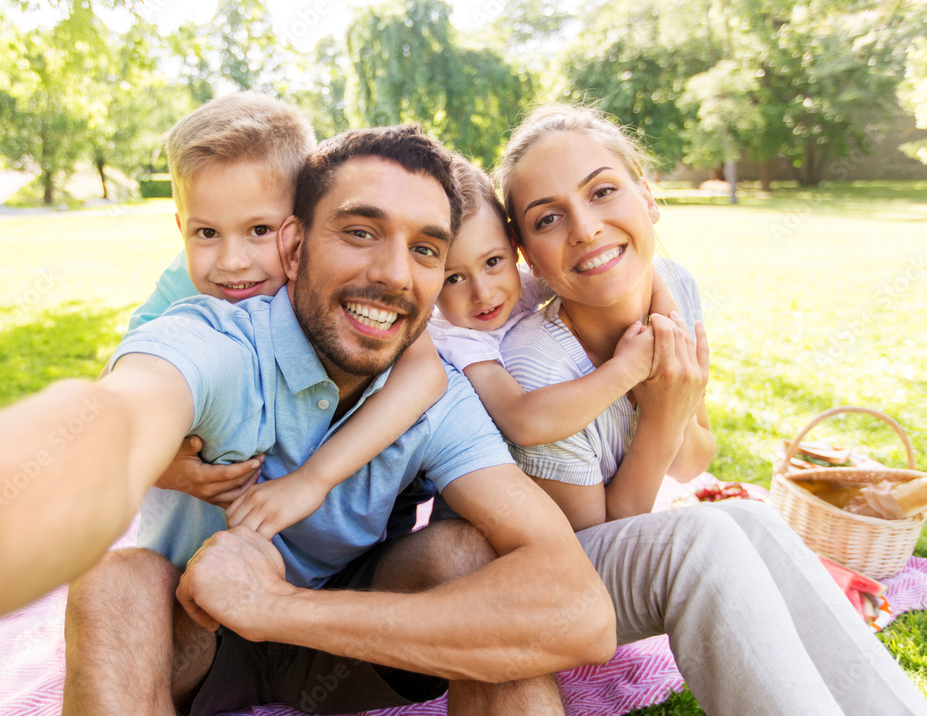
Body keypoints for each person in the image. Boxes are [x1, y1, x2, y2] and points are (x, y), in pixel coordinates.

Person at [52, 124, 612, 715]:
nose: (396, 274)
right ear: (294, 248)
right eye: (360, 232)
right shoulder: (220, 340)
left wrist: (275, 609)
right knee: (115, 582)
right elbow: (138, 395)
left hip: (346, 647)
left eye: (424, 249)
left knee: (468, 559)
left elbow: (581, 617)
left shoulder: (439, 393)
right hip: (192, 636)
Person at [495, 103, 927, 714]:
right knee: (698, 538)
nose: (586, 228)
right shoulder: (539, 368)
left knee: (754, 522)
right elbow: (604, 541)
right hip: (555, 580)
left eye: (603, 191)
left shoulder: (678, 286)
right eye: (548, 218)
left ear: (648, 198)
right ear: (528, 259)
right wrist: (661, 410)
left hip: (617, 543)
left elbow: (695, 459)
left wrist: (673, 402)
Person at [120, 92, 448, 542]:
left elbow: (424, 373)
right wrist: (161, 468)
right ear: (183, 230)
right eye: (207, 232)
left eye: (260, 230)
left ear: (302, 227)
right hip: (190, 541)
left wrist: (315, 478)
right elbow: (135, 379)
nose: (232, 262)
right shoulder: (184, 286)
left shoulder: (335, 287)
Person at [429, 157, 678, 470]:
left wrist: (669, 330)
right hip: (479, 475)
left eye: (492, 261)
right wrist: (627, 368)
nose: (483, 293)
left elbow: (633, 272)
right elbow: (521, 421)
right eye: (453, 278)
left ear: (515, 248)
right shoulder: (456, 338)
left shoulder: (522, 282)